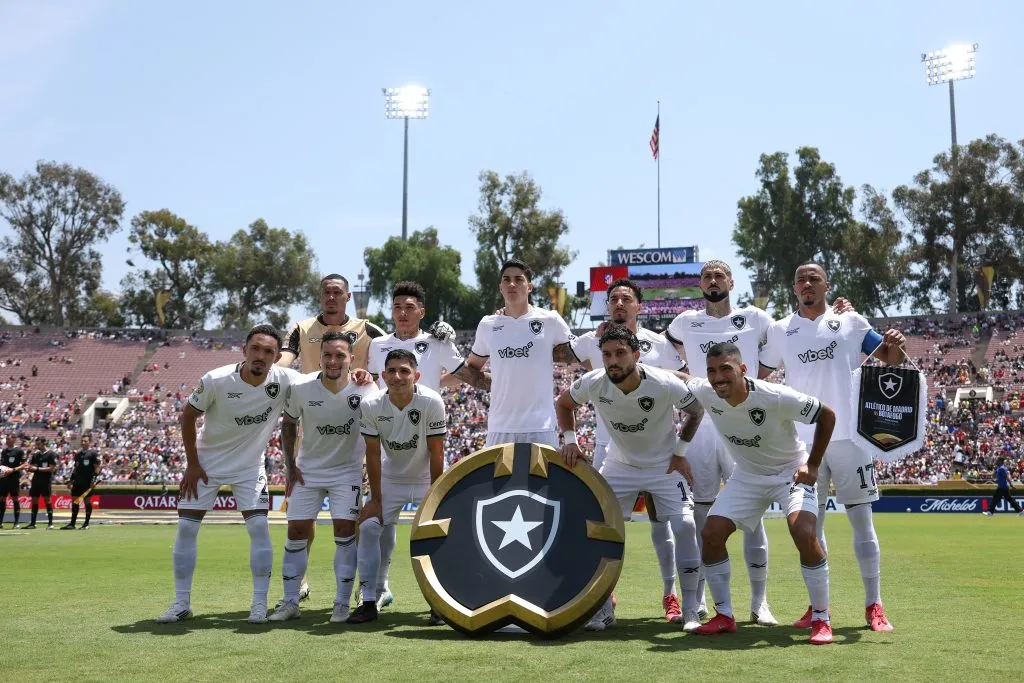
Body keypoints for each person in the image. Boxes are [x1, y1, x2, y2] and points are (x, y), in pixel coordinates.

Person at [761, 263, 904, 631]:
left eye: (814, 279)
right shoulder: (780, 330)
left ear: (826, 285)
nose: (807, 284)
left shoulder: (851, 321)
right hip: (803, 444)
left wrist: (895, 343)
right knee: (810, 527)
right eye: (801, 280)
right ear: (793, 288)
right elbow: (757, 377)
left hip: (850, 440)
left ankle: (874, 604)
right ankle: (817, 606)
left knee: (862, 522)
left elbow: (890, 358)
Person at [685, 342, 836, 645]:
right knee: (711, 533)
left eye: (726, 368)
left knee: (803, 531)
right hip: (748, 476)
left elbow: (827, 415)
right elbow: (677, 377)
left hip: (789, 472)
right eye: (712, 371)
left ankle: (821, 617)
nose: (718, 378)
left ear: (743, 369)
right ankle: (724, 615)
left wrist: (814, 465)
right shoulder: (706, 391)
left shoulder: (775, 396)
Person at [557, 325, 705, 631]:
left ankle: (690, 609)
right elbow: (563, 403)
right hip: (619, 465)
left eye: (620, 353)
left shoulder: (663, 382)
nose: (613, 360)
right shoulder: (595, 382)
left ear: (636, 355)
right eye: (607, 354)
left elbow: (697, 410)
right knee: (598, 530)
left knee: (686, 525)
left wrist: (680, 452)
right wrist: (570, 440)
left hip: (663, 467)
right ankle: (601, 607)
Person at [155, 324, 301, 624]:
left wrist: (359, 375)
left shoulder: (286, 380)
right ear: (245, 350)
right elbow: (188, 416)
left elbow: (322, 381)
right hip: (206, 465)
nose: (261, 356)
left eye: (269, 351)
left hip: (249, 468)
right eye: (256, 349)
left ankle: (258, 605)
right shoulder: (216, 379)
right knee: (186, 530)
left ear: (276, 356)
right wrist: (193, 464)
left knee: (259, 529)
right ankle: (181, 603)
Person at [663, 260, 778, 624]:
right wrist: (693, 382)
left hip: (744, 423)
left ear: (731, 282)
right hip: (700, 425)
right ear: (700, 283)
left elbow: (782, 348)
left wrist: (755, 386)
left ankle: (760, 604)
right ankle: (696, 602)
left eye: (719, 276)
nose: (713, 281)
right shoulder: (684, 322)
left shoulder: (756, 318)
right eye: (707, 277)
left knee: (753, 513)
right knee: (700, 514)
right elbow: (662, 359)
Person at [365, 281, 490, 611]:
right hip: (391, 446)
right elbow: (369, 384)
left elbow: (466, 375)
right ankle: (376, 591)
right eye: (397, 308)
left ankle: (443, 597)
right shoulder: (377, 345)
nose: (403, 313)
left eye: (410, 307)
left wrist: (507, 384)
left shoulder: (437, 341)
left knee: (439, 529)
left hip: (428, 440)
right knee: (376, 525)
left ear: (422, 311)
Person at [571, 279, 690, 622]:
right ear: (607, 306)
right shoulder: (592, 340)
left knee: (661, 520)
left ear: (640, 305)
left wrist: (653, 375)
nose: (620, 304)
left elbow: (684, 380)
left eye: (627, 299)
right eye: (613, 299)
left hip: (654, 444)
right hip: (610, 447)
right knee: (605, 523)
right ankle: (604, 597)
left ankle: (671, 594)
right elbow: (551, 350)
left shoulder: (658, 343)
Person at [277, 273, 386, 605]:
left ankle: (370, 585)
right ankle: (300, 581)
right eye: (326, 292)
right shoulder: (301, 327)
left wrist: (371, 376)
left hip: (353, 434)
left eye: (337, 293)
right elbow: (283, 361)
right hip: (310, 431)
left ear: (348, 297)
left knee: (356, 517)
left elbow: (395, 355)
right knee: (300, 518)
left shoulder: (368, 330)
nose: (331, 297)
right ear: (319, 296)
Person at [269, 331, 379, 623]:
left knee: (344, 535)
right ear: (319, 358)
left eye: (340, 355)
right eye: (327, 355)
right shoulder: (303, 386)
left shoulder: (367, 388)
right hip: (308, 472)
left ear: (351, 359)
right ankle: (290, 601)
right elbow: (289, 424)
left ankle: (341, 603)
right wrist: (291, 468)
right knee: (295, 535)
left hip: (347, 473)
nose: (333, 361)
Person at [347, 350, 446, 625]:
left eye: (404, 371)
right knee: (367, 528)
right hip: (391, 478)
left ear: (416, 375)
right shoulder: (371, 404)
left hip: (428, 476)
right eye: (391, 371)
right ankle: (368, 601)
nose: (398, 377)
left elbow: (437, 454)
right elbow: (373, 455)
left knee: (436, 535)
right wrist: (376, 499)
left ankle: (439, 603)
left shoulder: (432, 401)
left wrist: (435, 498)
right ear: (383, 376)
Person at [460, 258, 576, 448]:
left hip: (541, 427)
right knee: (496, 479)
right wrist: (438, 379)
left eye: (518, 279)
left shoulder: (550, 320)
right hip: (499, 428)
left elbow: (579, 354)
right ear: (500, 287)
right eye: (506, 279)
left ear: (529, 286)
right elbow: (471, 369)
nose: (512, 284)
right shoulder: (488, 324)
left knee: (543, 479)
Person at [63, 434, 100, 530]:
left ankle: (86, 524)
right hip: (77, 482)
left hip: (87, 482)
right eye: (82, 441)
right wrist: (71, 480)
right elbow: (76, 469)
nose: (83, 442)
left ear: (89, 442)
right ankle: (72, 523)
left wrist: (93, 480)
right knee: (75, 501)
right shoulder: (78, 455)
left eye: (85, 441)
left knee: (87, 501)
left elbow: (97, 468)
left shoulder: (93, 454)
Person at [25, 436, 58, 529]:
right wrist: (29, 468)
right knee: (34, 500)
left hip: (45, 481)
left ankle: (50, 523)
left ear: (44, 443)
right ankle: (33, 523)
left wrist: (37, 468)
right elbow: (32, 466)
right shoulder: (36, 454)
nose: (37, 446)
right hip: (36, 480)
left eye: (38, 444)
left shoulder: (51, 454)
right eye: (36, 444)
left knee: (47, 501)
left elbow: (52, 468)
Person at [0, 435, 28, 529]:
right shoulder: (4, 451)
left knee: (15, 500)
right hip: (4, 479)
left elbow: (25, 464)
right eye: (6, 439)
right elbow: (2, 465)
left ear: (14, 439)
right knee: (2, 500)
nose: (7, 440)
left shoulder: (19, 451)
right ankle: (0, 522)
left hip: (14, 479)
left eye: (9, 438)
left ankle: (16, 523)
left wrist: (13, 469)